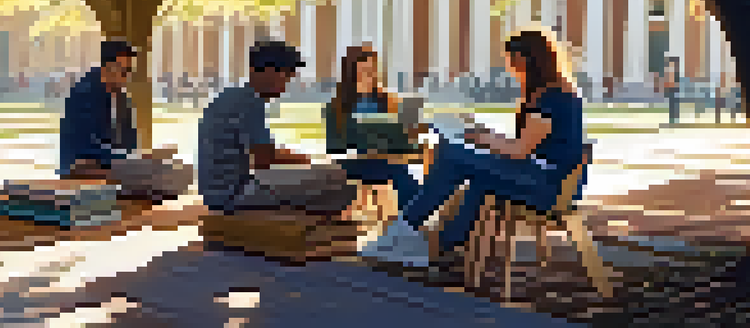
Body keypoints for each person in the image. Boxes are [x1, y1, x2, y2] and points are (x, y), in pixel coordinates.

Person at [360, 28, 586, 266]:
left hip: (548, 186)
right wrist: (484, 134)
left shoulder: (552, 98)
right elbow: (528, 145)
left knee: (452, 154)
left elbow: (520, 150)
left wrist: (480, 137)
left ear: (528, 60)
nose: (510, 68)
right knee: (477, 180)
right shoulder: (557, 92)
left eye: (512, 61)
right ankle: (436, 248)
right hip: (545, 179)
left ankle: (404, 230)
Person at [198, 40, 358, 215]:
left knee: (324, 179)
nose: (287, 83)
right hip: (235, 194)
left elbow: (257, 153)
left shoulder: (233, 96)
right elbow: (264, 160)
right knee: (336, 177)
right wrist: (304, 160)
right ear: (267, 71)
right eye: (286, 74)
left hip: (216, 193)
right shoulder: (250, 102)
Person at [59, 40, 192, 203]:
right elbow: (88, 147)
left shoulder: (121, 97)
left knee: (182, 170)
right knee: (160, 177)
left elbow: (130, 140)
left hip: (114, 162)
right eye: (124, 71)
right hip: (85, 165)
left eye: (130, 71)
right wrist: (131, 159)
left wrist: (140, 159)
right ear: (107, 68)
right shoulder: (83, 94)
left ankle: (136, 190)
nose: (128, 77)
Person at [326, 45, 421, 205]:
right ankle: (410, 219)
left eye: (372, 71)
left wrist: (410, 132)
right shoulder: (337, 106)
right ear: (351, 74)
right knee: (400, 175)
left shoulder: (389, 99)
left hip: (388, 160)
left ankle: (409, 219)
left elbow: (407, 140)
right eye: (363, 71)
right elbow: (334, 148)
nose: (369, 76)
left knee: (401, 172)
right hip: (355, 162)